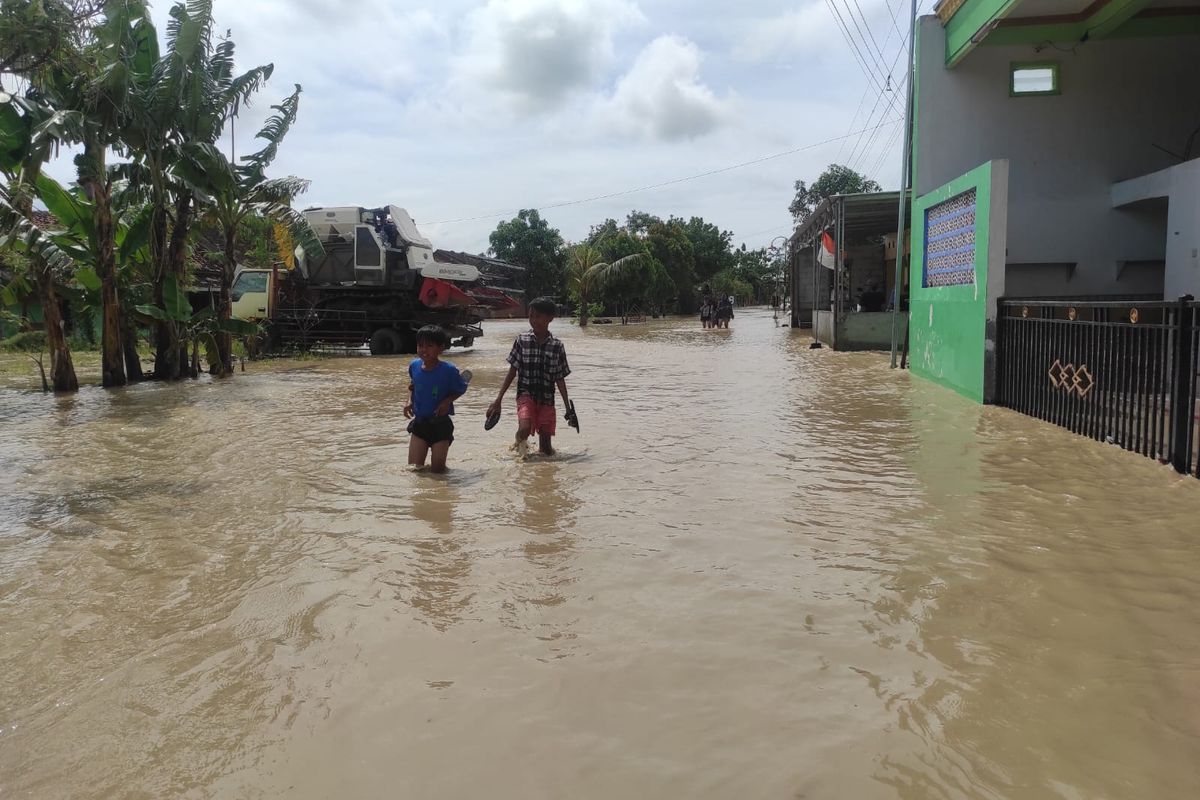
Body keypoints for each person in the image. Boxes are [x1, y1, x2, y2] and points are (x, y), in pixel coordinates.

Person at [488, 297, 572, 457]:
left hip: (547, 398)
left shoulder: (557, 346)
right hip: (525, 394)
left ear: (550, 318)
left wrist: (568, 408)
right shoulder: (522, 340)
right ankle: (519, 443)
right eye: (531, 316)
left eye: (538, 316)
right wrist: (498, 399)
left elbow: (560, 378)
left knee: (546, 450)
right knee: (525, 428)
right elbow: (512, 371)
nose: (533, 320)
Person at [404, 325, 469, 473]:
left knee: (438, 472)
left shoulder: (449, 370)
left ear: (441, 348)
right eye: (420, 345)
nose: (423, 350)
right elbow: (414, 386)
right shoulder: (414, 366)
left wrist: (447, 401)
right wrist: (408, 402)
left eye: (429, 346)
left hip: (440, 426)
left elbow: (461, 389)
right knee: (414, 470)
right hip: (420, 425)